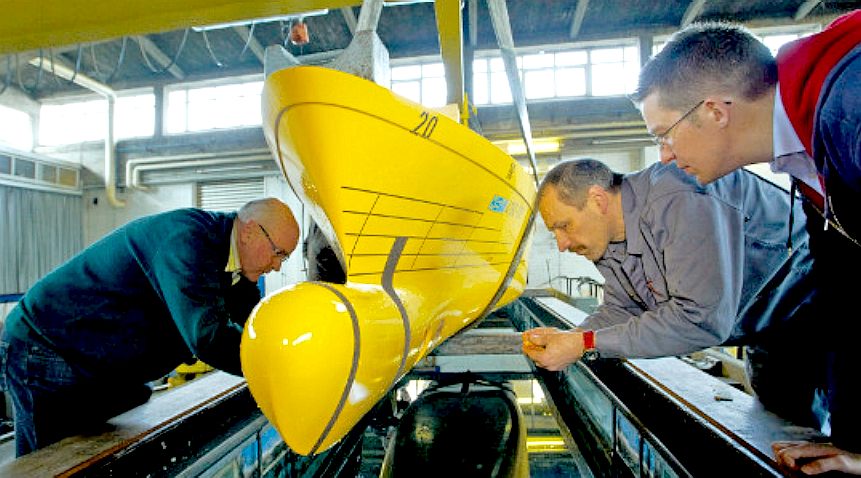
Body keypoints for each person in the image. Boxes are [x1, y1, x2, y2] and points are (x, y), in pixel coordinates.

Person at [630, 12, 861, 474]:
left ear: (715, 111)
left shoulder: (850, 113)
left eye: (665, 134)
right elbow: (850, 299)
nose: (666, 156)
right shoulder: (811, 164)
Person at [522, 159, 825, 434]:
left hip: (821, 306)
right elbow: (622, 308)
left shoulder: (679, 198)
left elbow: (701, 321)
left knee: (846, 438)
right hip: (765, 329)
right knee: (787, 433)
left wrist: (584, 343)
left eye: (564, 226)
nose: (561, 244)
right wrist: (570, 338)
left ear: (597, 199)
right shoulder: (609, 245)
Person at [0, 198, 299, 456]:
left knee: (123, 413)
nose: (277, 266)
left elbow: (254, 328)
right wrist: (274, 371)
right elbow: (208, 337)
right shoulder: (188, 241)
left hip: (93, 362)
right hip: (46, 344)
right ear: (248, 232)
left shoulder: (236, 270)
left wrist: (291, 355)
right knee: (50, 463)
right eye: (278, 253)